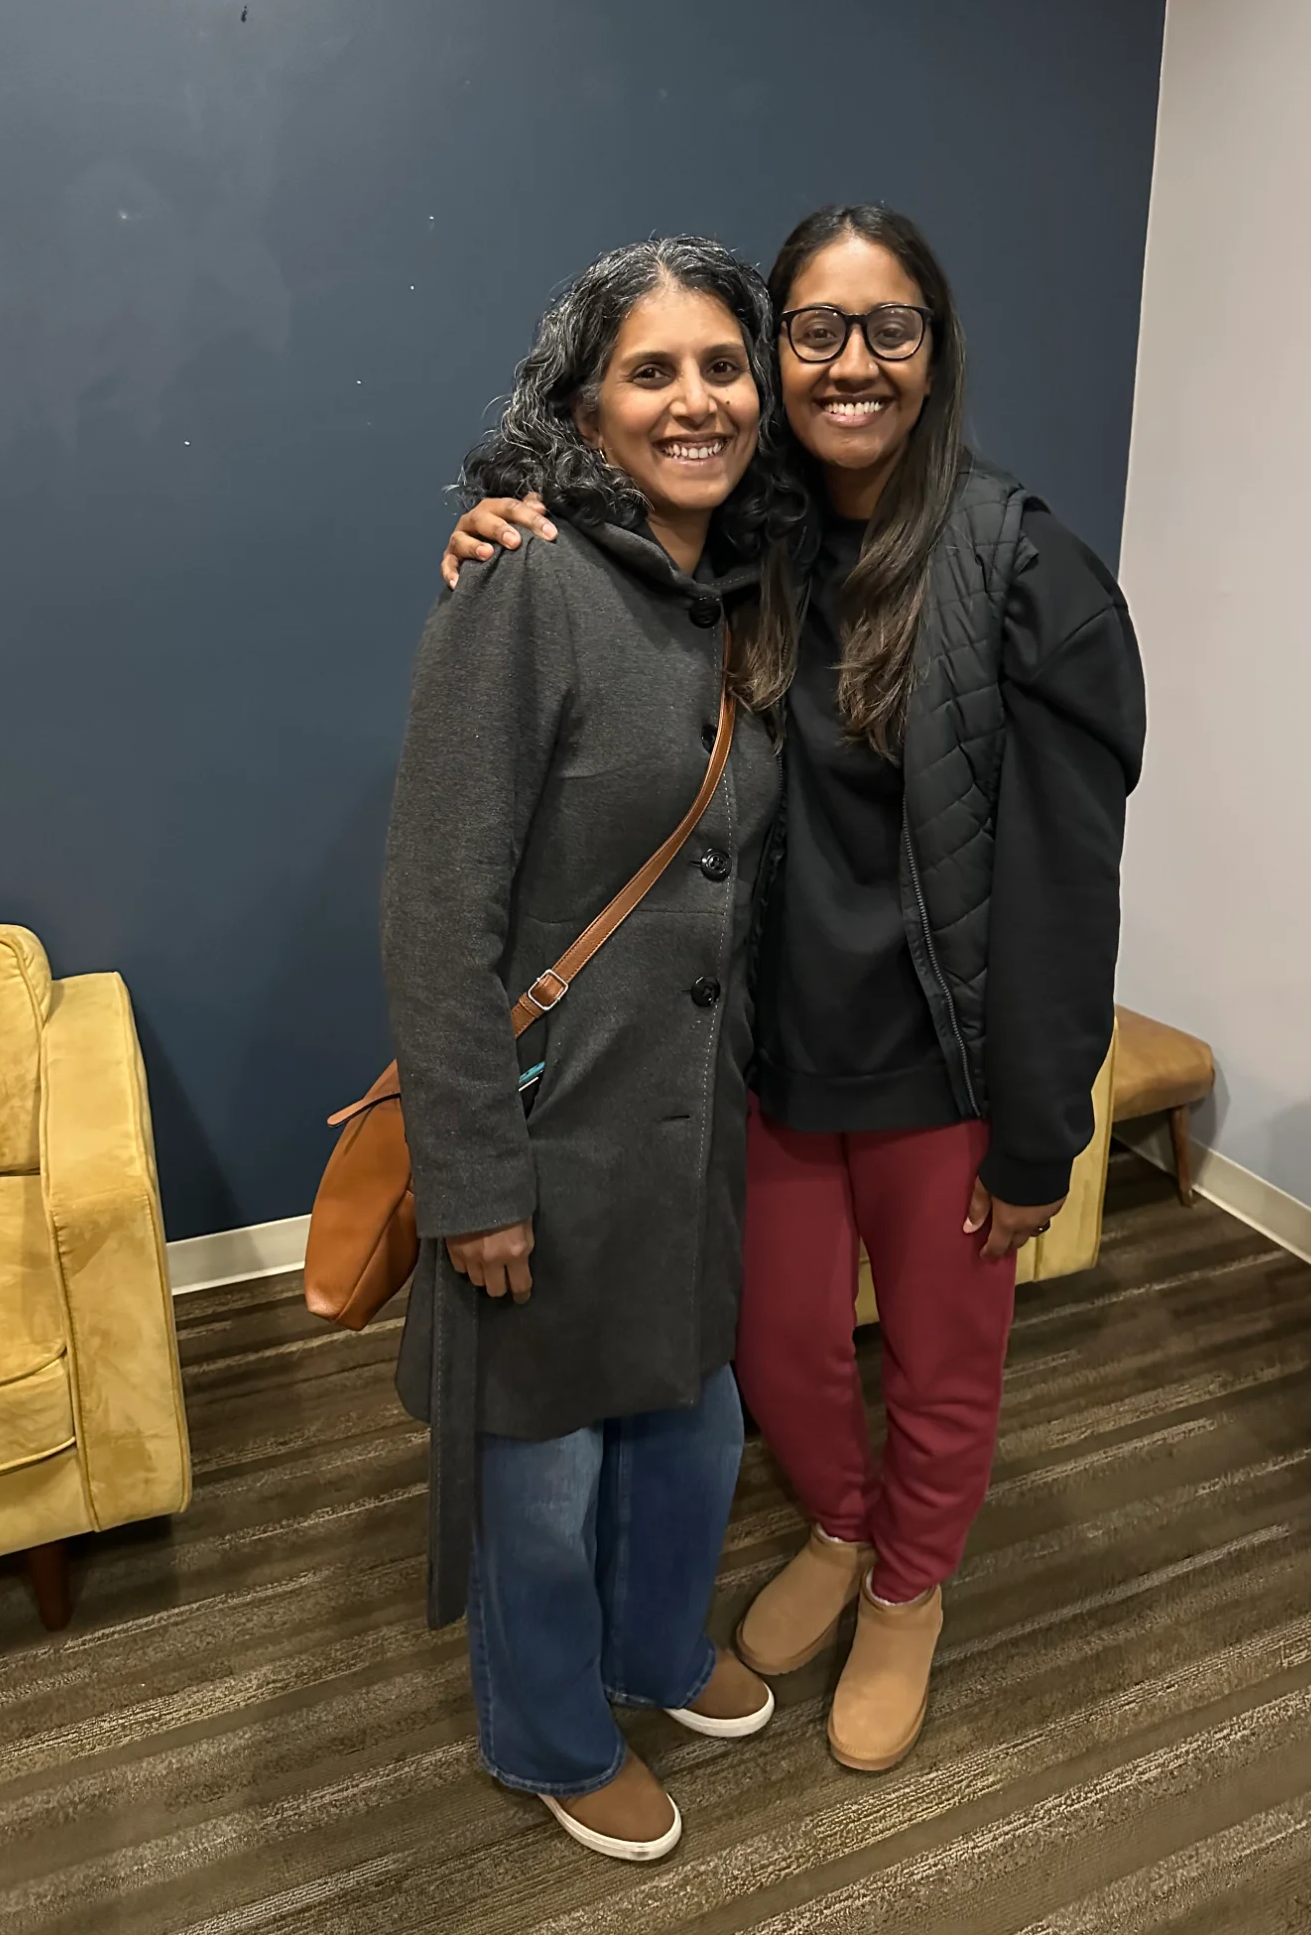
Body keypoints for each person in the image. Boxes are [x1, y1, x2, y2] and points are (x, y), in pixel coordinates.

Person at [443, 205, 1146, 1775]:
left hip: (945, 1075)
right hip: (761, 1062)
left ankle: (911, 1586)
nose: (848, 362)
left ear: (936, 349)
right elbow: (597, 580)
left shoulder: (1021, 564)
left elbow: (1063, 881)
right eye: (813, 331)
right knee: (779, 1354)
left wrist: (1041, 1126)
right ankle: (838, 1523)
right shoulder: (742, 548)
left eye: (888, 327)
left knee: (947, 1368)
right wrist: (500, 514)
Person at [384, 236, 800, 1862]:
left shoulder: (739, 600)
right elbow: (436, 910)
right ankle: (550, 1729)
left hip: (688, 1130)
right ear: (583, 404)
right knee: (540, 1477)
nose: (695, 398)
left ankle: (649, 1648)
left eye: (721, 365)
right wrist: (469, 1175)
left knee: (690, 1424)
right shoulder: (528, 585)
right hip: (549, 1136)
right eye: (652, 370)